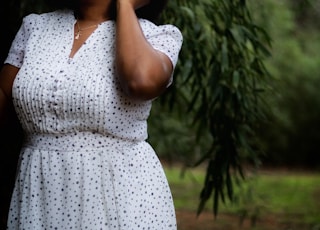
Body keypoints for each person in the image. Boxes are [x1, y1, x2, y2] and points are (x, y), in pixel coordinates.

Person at [0, 0, 183, 228]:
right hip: (39, 196)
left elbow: (140, 81)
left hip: (120, 201)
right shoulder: (34, 28)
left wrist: (124, 4)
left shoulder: (157, 37)